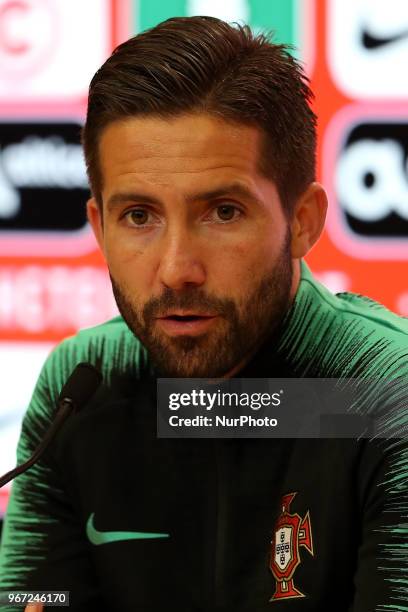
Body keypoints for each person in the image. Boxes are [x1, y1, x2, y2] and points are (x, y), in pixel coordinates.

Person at [0, 15, 407, 612]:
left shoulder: (383, 395)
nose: (176, 269)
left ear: (303, 221)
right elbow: (37, 600)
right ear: (99, 227)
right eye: (139, 215)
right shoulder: (80, 387)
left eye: (222, 212)